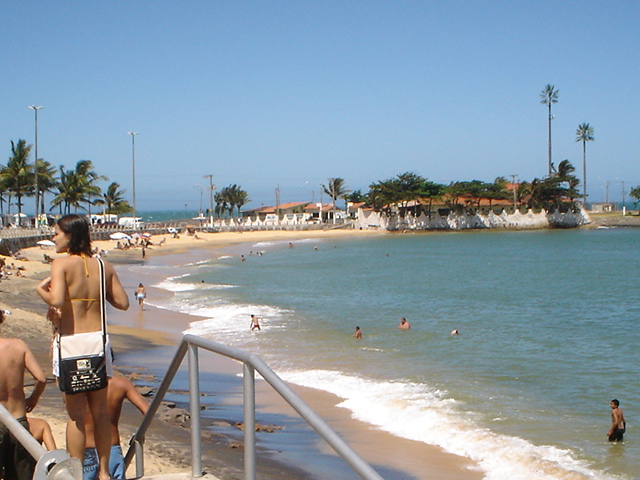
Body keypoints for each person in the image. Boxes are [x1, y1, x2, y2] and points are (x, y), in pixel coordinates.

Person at [35, 214, 130, 480]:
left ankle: (76, 474)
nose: (54, 238)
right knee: (99, 413)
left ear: (70, 235)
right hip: (97, 343)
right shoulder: (103, 265)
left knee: (76, 416)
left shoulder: (61, 264)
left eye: (56, 233)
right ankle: (103, 472)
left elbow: (56, 299)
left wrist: (39, 289)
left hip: (71, 344)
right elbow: (123, 303)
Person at [0, 309, 47, 480]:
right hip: (18, 419)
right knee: (21, 474)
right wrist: (34, 398)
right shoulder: (19, 345)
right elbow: (41, 379)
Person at [83, 375, 149, 479]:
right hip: (111, 448)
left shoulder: (82, 383)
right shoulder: (121, 383)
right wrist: (141, 433)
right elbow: (148, 412)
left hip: (87, 448)